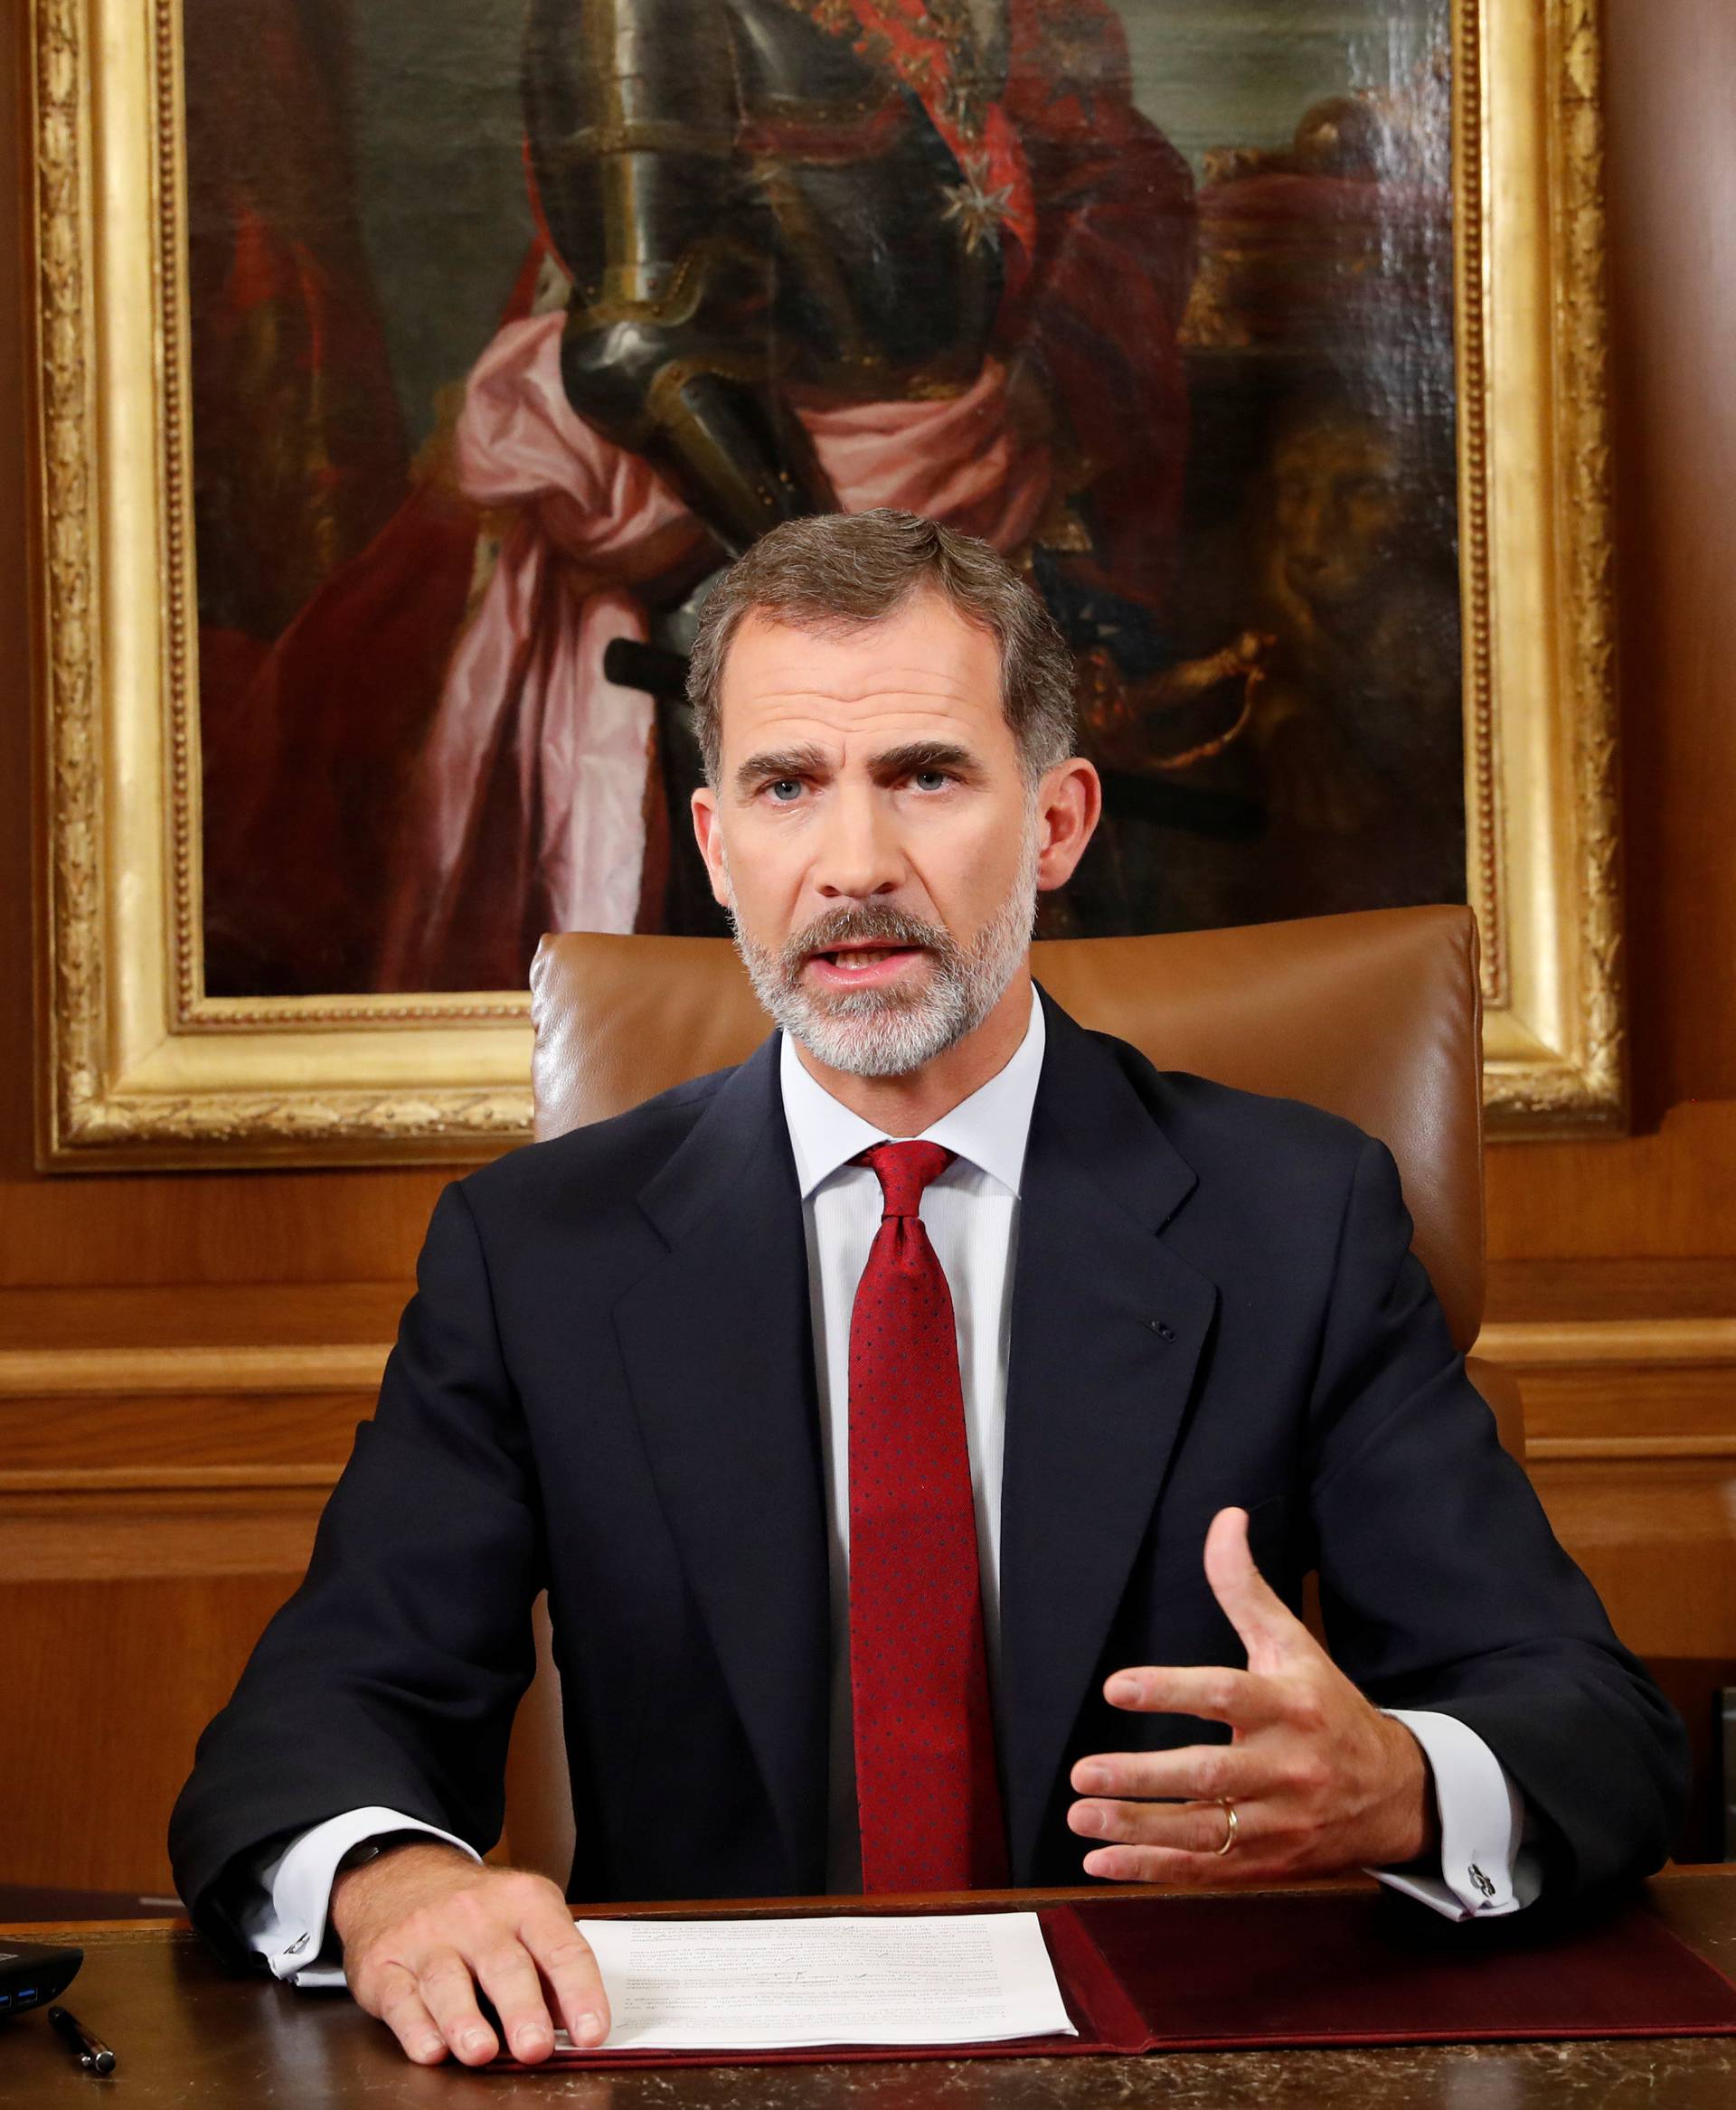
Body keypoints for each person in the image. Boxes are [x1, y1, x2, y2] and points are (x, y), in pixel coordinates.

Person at [170, 511, 1687, 2070]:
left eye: (927, 775)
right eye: (786, 786)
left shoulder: (1293, 1219)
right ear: (712, 844)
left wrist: (1404, 1783)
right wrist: (392, 1874)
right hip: (695, 2078)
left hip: (1163, 2068)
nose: (854, 865)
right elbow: (316, 1716)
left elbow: (1589, 1722)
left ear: (1057, 821)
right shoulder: (537, 1251)